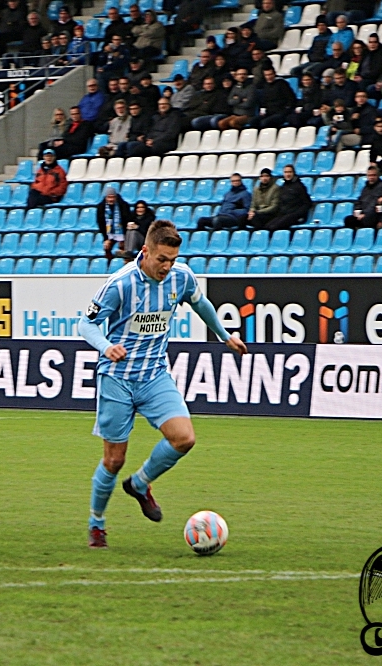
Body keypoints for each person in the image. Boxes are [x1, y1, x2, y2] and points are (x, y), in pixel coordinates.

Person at [78, 219, 248, 548]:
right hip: (117, 379)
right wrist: (106, 346)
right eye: (161, 260)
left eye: (172, 260)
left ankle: (140, 484)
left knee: (184, 439)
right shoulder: (120, 284)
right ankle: (96, 523)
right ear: (145, 252)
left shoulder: (181, 277)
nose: (167, 267)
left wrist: (224, 336)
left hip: (155, 375)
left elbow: (201, 304)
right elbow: (86, 325)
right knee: (114, 460)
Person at [261, 165, 311, 231]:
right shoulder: (284, 186)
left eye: (289, 172)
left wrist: (297, 214)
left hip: (295, 215)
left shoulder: (299, 186)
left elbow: (307, 203)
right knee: (266, 226)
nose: (288, 174)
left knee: (273, 227)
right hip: (284, 214)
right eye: (286, 172)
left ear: (293, 173)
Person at [344, 164, 382, 229]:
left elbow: (375, 202)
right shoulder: (365, 188)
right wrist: (357, 210)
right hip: (363, 213)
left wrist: (365, 214)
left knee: (367, 219)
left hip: (374, 214)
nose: (371, 177)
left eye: (374, 175)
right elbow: (359, 200)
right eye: (369, 175)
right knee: (348, 219)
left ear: (378, 175)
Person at [96, 186, 133, 259]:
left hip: (123, 233)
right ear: (106, 197)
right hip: (109, 234)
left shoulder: (123, 205)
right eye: (109, 197)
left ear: (116, 197)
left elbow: (127, 221)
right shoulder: (101, 207)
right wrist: (106, 238)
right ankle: (109, 264)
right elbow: (101, 224)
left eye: (112, 197)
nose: (111, 199)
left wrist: (124, 238)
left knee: (125, 250)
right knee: (107, 248)